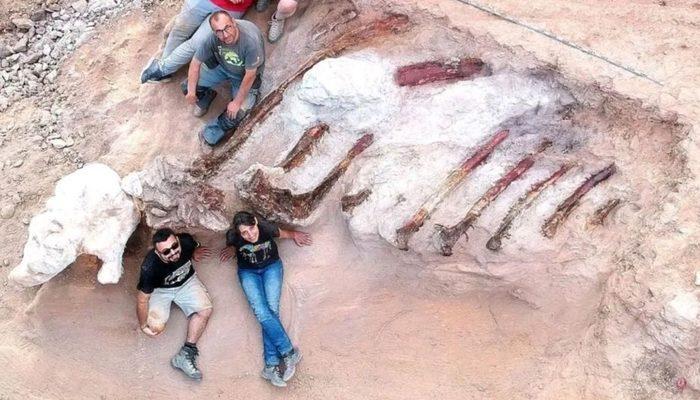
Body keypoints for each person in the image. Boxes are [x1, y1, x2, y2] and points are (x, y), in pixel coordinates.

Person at [220, 211, 312, 387]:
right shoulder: (233, 236)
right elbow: (232, 245)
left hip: (271, 268)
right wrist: (232, 249)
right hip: (248, 273)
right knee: (262, 312)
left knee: (271, 310)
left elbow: (284, 233)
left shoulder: (265, 228)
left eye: (251, 229)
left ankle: (270, 365)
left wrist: (295, 235)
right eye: (244, 233)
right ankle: (288, 352)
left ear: (255, 222)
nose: (250, 235)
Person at [136, 228, 214, 380]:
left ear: (178, 240)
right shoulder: (149, 267)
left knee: (205, 311)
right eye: (166, 252)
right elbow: (142, 299)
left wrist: (194, 252)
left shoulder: (185, 241)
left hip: (187, 282)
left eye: (174, 246)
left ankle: (186, 354)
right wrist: (143, 325)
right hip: (161, 291)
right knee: (155, 328)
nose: (173, 252)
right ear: (158, 253)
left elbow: (194, 244)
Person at [182, 11, 265, 145]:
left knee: (235, 114)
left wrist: (237, 102)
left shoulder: (250, 41)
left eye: (227, 28)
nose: (225, 35)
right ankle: (205, 98)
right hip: (222, 68)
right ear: (214, 32)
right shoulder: (213, 38)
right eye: (219, 31)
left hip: (244, 77)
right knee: (188, 86)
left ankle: (208, 134)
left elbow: (250, 75)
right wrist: (192, 92)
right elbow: (195, 63)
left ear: (233, 22)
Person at [140, 0, 254, 83]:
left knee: (197, 43)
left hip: (232, 8)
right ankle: (165, 70)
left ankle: (161, 69)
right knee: (179, 30)